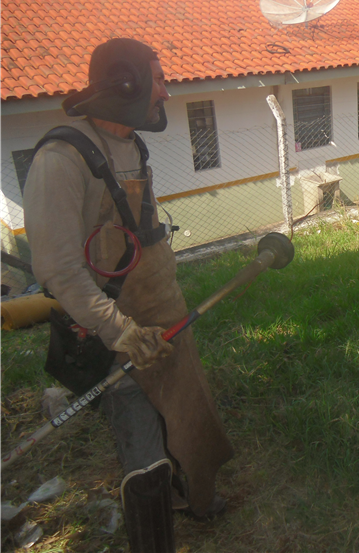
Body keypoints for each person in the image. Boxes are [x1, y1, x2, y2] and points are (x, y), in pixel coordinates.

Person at [23, 38, 233, 552]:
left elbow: (141, 232)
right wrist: (121, 331)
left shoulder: (130, 143)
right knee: (143, 446)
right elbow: (59, 270)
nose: (165, 89)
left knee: (188, 409)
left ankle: (199, 497)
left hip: (161, 306)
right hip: (111, 326)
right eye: (157, 78)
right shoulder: (61, 158)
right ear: (126, 83)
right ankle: (154, 538)